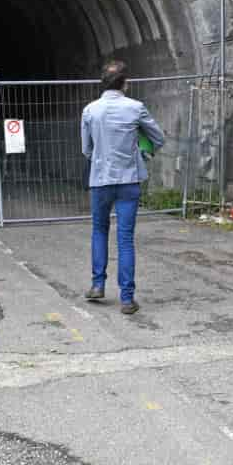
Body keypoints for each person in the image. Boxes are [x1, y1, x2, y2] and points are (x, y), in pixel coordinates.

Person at [80, 60, 164, 315]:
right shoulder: (135, 108)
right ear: (126, 83)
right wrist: (143, 152)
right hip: (128, 180)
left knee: (99, 231)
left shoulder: (90, 111)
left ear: (102, 83)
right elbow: (158, 137)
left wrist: (99, 157)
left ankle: (97, 285)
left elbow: (86, 149)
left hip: (101, 181)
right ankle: (127, 298)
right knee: (125, 239)